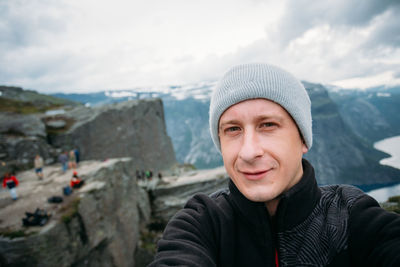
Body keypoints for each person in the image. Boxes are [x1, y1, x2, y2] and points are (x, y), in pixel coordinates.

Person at [149, 63, 400, 266]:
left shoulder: (351, 216)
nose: (248, 151)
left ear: (302, 138)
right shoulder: (203, 224)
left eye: (268, 125)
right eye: (233, 129)